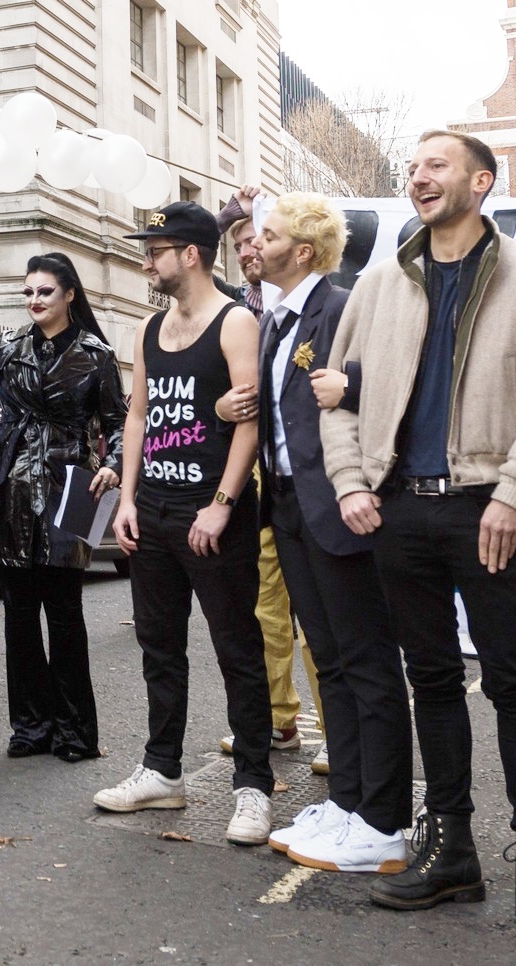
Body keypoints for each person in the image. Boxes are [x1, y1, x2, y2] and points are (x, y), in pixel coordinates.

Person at [319, 130, 516, 947]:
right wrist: (349, 483)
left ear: (482, 180)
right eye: (412, 169)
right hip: (401, 511)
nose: (418, 178)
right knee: (431, 679)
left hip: (487, 509)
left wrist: (514, 493)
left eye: (436, 165)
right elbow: (334, 396)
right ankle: (451, 849)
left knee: (513, 681)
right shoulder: (379, 286)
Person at [214, 193, 412, 875]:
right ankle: (349, 803)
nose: (251, 245)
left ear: (300, 251)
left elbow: (392, 382)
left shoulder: (343, 305)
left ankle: (385, 821)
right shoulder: (272, 319)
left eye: (264, 236)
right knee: (328, 659)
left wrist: (349, 384)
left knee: (368, 663)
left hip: (342, 506)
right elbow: (274, 408)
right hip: (290, 507)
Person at [94, 201, 273, 846]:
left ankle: (253, 786)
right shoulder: (147, 328)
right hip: (157, 515)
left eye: (156, 250)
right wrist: (128, 499)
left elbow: (249, 419)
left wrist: (222, 502)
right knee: (159, 648)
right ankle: (162, 772)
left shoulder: (235, 323)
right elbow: (139, 414)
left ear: (190, 254)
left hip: (213, 513)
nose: (147, 261)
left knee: (236, 649)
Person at [0, 252, 127, 762]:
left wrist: (117, 464)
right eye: (28, 292)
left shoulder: (96, 355)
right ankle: (30, 727)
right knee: (19, 615)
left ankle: (75, 732)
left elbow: (119, 423)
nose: (35, 300)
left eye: (45, 291)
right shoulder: (12, 346)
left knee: (64, 614)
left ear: (68, 295)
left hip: (70, 487)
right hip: (10, 488)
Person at [217, 205, 328, 774]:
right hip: (264, 485)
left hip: (314, 485)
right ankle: (278, 719)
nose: (248, 248)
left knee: (320, 615)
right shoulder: (246, 311)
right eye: (240, 242)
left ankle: (336, 727)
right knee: (266, 610)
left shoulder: (320, 307)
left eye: (258, 238)